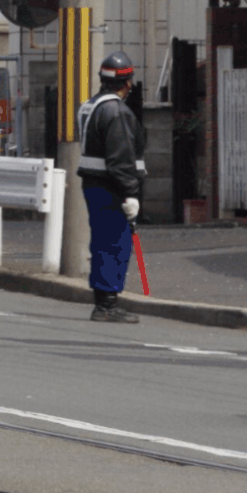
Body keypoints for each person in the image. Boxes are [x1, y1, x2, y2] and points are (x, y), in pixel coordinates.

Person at [77, 51, 147, 324]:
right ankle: (106, 306)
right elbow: (120, 157)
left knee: (103, 243)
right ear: (127, 82)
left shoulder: (91, 105)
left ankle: (104, 303)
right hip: (112, 188)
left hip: (95, 184)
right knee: (114, 244)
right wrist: (131, 193)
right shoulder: (116, 111)